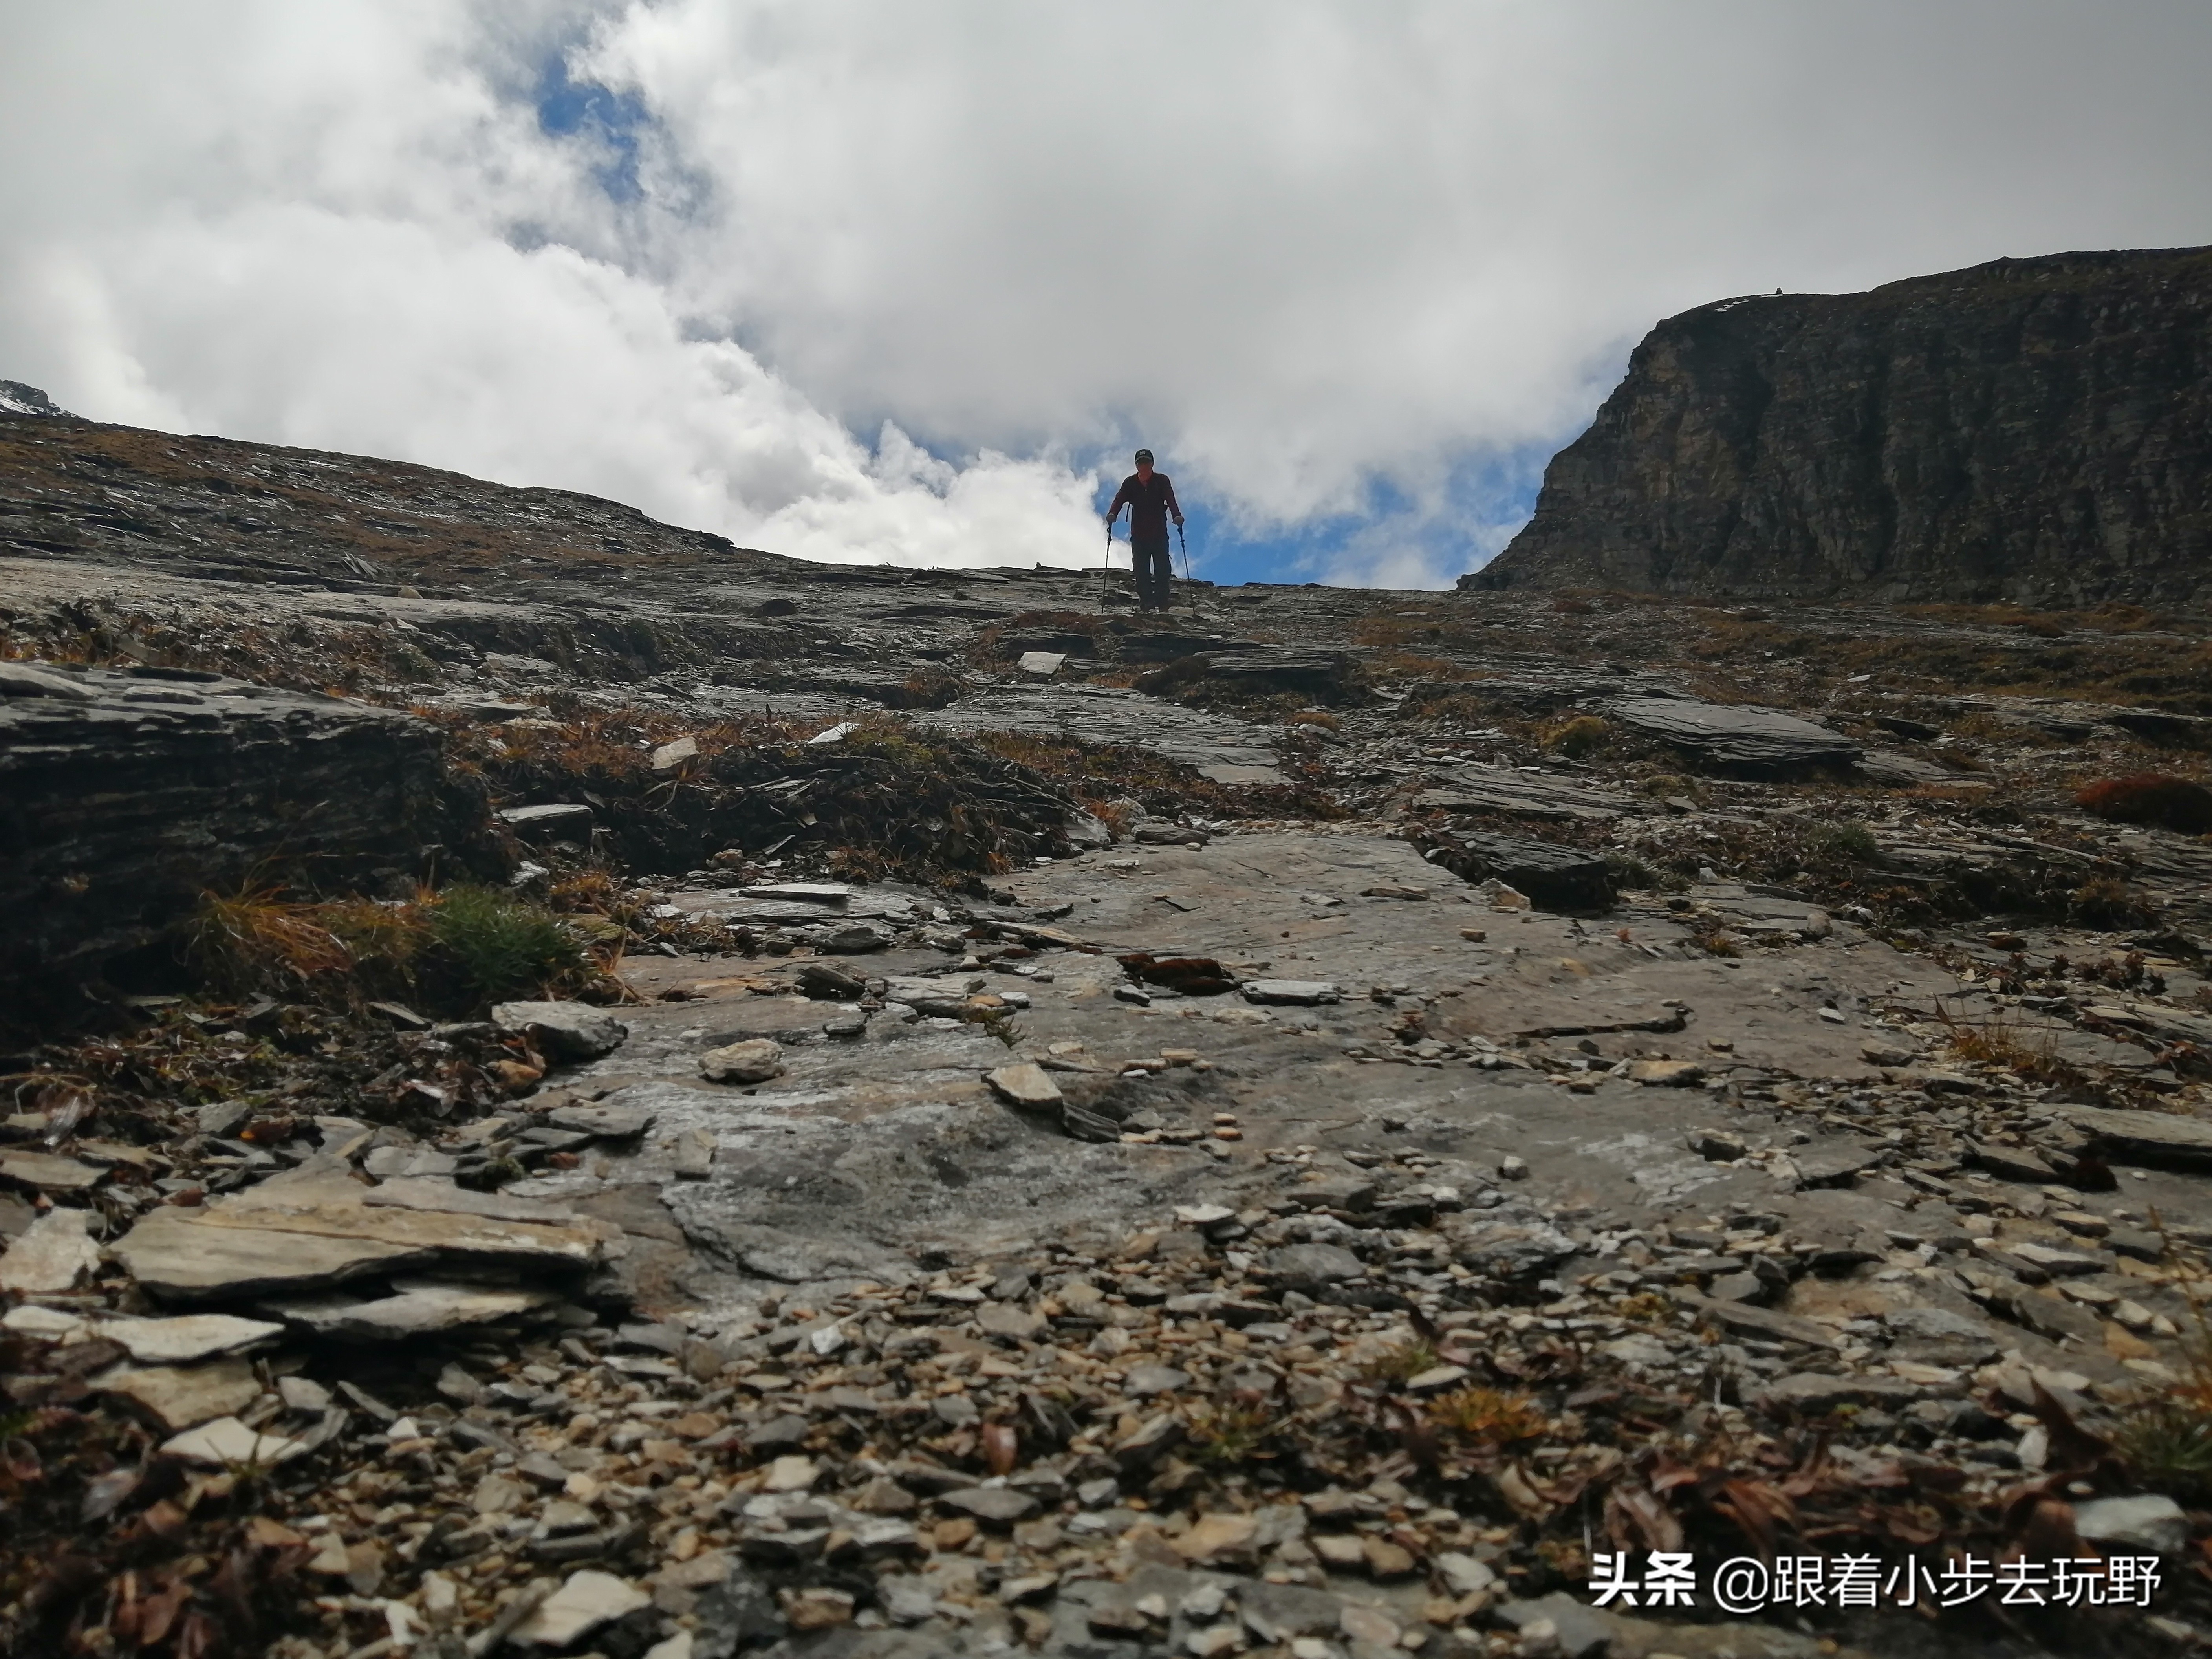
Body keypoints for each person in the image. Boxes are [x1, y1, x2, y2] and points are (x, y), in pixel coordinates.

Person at [1105, 449, 1184, 612]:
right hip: (1139, 535)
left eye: (1147, 462)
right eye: (1141, 463)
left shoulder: (1162, 481)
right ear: (1137, 466)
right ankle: (1146, 603)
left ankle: (1162, 602)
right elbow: (1120, 499)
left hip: (1159, 533)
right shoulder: (1130, 483)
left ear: (1152, 464)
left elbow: (1171, 499)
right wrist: (1113, 513)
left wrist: (1177, 515)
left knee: (1163, 570)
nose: (1144, 465)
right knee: (1141, 572)